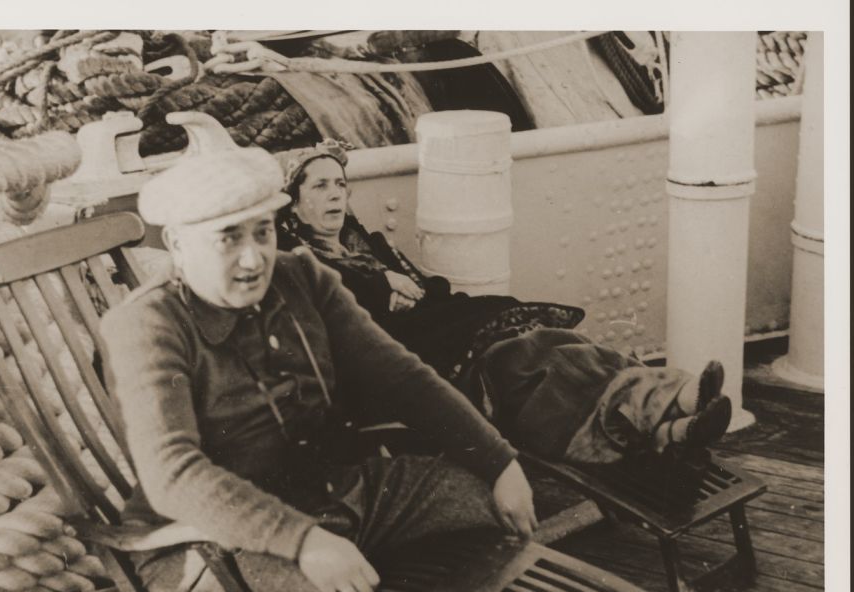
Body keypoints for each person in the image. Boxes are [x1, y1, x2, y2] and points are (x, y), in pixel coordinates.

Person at [100, 145, 540, 592]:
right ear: (178, 247)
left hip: (329, 494)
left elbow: (401, 375)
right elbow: (172, 474)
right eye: (228, 238)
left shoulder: (300, 277)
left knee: (483, 506)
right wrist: (303, 541)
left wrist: (499, 461)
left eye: (263, 232)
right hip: (211, 546)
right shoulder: (148, 324)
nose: (254, 257)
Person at [275, 141, 732, 463]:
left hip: (438, 328)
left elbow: (430, 289)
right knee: (528, 357)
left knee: (553, 344)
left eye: (339, 184)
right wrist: (383, 288)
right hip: (406, 356)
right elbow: (350, 318)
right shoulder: (303, 263)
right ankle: (668, 401)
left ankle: (667, 418)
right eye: (319, 187)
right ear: (293, 205)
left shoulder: (368, 245)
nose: (335, 193)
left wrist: (396, 283)